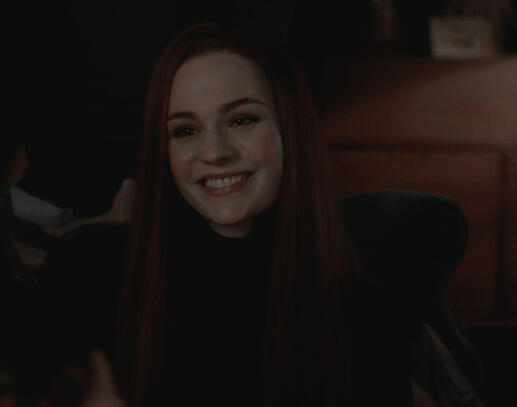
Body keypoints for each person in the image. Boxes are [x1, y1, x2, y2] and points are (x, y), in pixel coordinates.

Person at [77, 21, 415, 406]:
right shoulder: (93, 274)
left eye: (241, 120)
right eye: (185, 130)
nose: (215, 152)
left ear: (290, 128)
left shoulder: (368, 310)